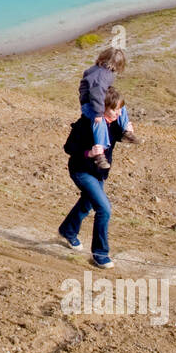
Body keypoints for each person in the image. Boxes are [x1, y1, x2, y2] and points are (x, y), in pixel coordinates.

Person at [58, 86, 131, 269]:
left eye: (121, 109)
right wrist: (89, 153)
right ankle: (100, 254)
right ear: (102, 108)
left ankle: (68, 230)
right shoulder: (85, 123)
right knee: (104, 209)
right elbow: (68, 148)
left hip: (99, 173)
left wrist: (129, 130)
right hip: (81, 170)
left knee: (87, 203)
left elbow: (122, 135)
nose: (118, 113)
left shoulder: (114, 123)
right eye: (115, 109)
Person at [79, 46, 137, 169]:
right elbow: (96, 94)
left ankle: (126, 129)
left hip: (98, 102)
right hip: (90, 105)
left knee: (120, 106)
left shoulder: (99, 70)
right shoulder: (102, 76)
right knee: (99, 122)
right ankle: (100, 154)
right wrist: (99, 113)